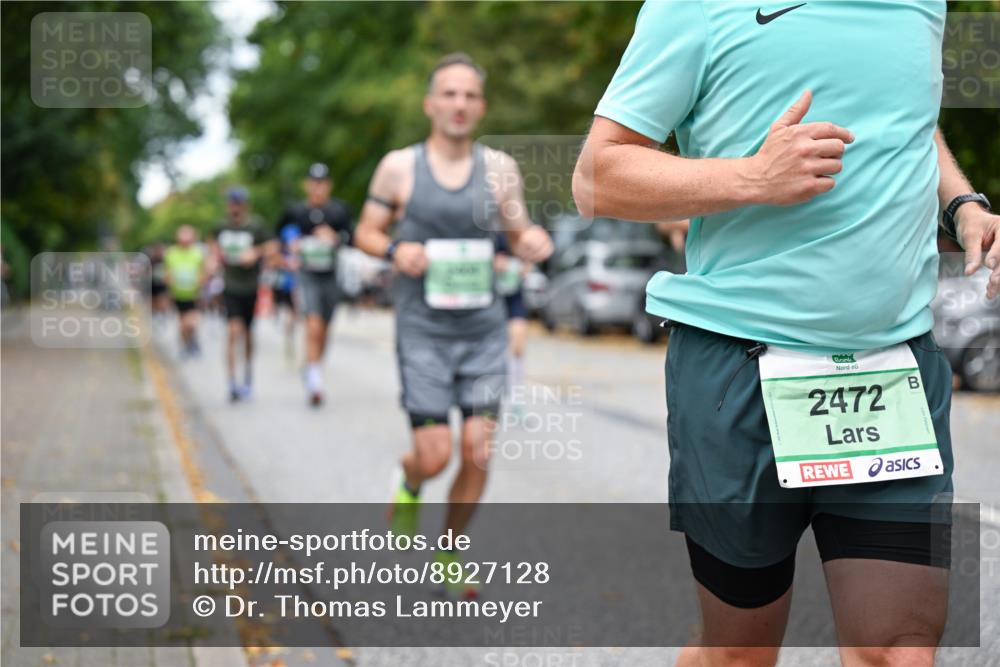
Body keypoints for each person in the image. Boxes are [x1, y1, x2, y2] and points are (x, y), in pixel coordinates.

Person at [573, 3, 1000, 666]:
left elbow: (909, 113)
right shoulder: (695, 9)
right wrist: (752, 177)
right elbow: (597, 177)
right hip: (739, 366)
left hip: (892, 368)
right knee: (739, 654)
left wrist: (962, 204)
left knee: (900, 653)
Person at [355, 52, 553, 597]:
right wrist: (395, 250)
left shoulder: (500, 169)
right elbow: (366, 232)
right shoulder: (400, 167)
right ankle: (409, 479)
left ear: (481, 107)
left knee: (478, 450)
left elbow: (519, 234)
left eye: (469, 95)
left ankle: (448, 550)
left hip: (483, 331)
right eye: (449, 93)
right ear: (430, 104)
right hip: (423, 332)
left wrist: (533, 242)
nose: (459, 104)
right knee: (435, 454)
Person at [276, 163, 353, 406]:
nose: (318, 188)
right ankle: (315, 381)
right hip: (307, 275)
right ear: (307, 185)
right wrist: (289, 250)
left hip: (331, 275)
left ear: (328, 186)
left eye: (322, 183)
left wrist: (335, 238)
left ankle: (313, 367)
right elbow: (278, 239)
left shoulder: (339, 211)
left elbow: (353, 238)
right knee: (313, 323)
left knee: (325, 328)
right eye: (314, 183)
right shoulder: (295, 212)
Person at [208, 186, 273, 402]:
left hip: (251, 286)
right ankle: (231, 381)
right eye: (231, 203)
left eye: (238, 203)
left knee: (247, 333)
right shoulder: (221, 226)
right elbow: (212, 246)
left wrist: (256, 252)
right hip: (230, 286)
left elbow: (272, 246)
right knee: (233, 331)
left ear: (245, 204)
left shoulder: (256, 225)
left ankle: (247, 375)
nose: (235, 207)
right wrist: (213, 259)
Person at [494, 232, 531, 417]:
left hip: (514, 295)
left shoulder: (517, 229)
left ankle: (517, 402)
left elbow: (528, 260)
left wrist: (522, 266)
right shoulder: (486, 228)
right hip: (491, 296)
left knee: (518, 346)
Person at [163, 225, 207, 357]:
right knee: (182, 323)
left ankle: (192, 341)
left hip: (194, 294)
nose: (185, 238)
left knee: (191, 322)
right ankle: (185, 346)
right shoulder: (171, 253)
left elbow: (203, 272)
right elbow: (167, 273)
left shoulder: (198, 253)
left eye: (188, 235)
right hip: (178, 294)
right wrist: (169, 283)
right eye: (183, 235)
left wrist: (201, 282)